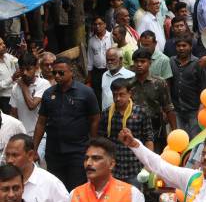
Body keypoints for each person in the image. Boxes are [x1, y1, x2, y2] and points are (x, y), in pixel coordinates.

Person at [34, 57, 100, 191]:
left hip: (77, 151)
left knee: (76, 190)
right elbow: (41, 122)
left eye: (61, 73)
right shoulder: (48, 94)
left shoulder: (86, 92)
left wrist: (92, 144)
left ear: (71, 72)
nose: (57, 76)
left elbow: (95, 119)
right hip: (54, 152)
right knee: (56, 189)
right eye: (55, 73)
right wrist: (33, 148)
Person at [3, 133, 69, 202]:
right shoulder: (2, 181)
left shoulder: (50, 182)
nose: (9, 160)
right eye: (7, 155)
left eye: (14, 155)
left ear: (30, 155)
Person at [99, 79, 153, 185]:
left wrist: (148, 165)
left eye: (121, 94)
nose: (118, 98)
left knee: (134, 199)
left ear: (130, 93)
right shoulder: (106, 113)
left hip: (135, 167)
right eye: (115, 95)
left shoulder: (141, 112)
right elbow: (102, 140)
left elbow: (148, 138)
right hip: (114, 168)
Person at [129, 48, 176, 153]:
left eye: (143, 61)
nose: (139, 64)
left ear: (150, 63)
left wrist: (175, 132)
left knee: (157, 161)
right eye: (136, 61)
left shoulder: (159, 83)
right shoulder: (129, 85)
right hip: (135, 130)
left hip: (156, 129)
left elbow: (168, 108)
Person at [169, 35, 206, 138]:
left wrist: (202, 106)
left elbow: (204, 87)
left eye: (184, 45)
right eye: (178, 46)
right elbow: (168, 84)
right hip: (177, 109)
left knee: (194, 139)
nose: (181, 48)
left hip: (193, 109)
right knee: (179, 139)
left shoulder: (198, 63)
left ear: (190, 47)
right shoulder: (171, 61)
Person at [10, 53, 51, 136]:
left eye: (28, 69)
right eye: (22, 69)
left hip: (41, 136)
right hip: (23, 136)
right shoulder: (15, 87)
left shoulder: (44, 84)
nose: (24, 73)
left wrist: (23, 86)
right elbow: (14, 114)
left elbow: (31, 105)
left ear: (36, 68)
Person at [87, 16, 113, 105]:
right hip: (97, 71)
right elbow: (90, 58)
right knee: (98, 92)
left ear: (105, 25)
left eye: (100, 24)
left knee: (109, 91)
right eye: (95, 24)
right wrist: (89, 77)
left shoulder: (111, 37)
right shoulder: (91, 40)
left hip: (109, 70)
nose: (97, 26)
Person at [0, 37, 17, 114]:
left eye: (3, 43)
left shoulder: (8, 56)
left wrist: (23, 52)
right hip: (5, 99)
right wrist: (12, 78)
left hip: (16, 95)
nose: (4, 45)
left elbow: (19, 63)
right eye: (0, 44)